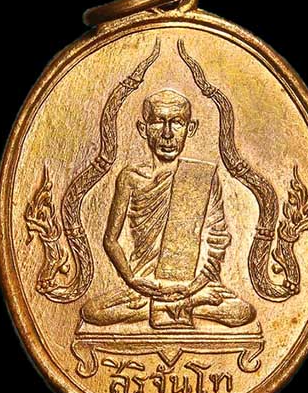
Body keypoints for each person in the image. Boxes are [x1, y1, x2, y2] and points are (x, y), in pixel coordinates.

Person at [81, 89, 256, 328]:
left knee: (242, 312)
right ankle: (178, 306)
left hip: (193, 285)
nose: (167, 134)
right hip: (145, 286)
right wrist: (133, 280)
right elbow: (110, 240)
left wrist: (193, 287)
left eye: (177, 123)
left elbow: (218, 239)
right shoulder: (131, 178)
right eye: (157, 122)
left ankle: (183, 303)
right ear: (143, 129)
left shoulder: (202, 176)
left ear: (190, 128)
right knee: (92, 311)